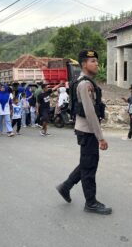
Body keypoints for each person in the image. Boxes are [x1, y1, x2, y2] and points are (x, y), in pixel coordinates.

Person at [56, 50, 112, 215]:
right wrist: (100, 137)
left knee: (86, 163)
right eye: (92, 61)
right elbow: (90, 113)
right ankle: (90, 202)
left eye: (96, 60)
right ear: (83, 64)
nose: (96, 64)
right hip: (88, 132)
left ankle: (65, 187)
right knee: (89, 167)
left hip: (85, 130)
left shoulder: (85, 82)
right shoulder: (84, 84)